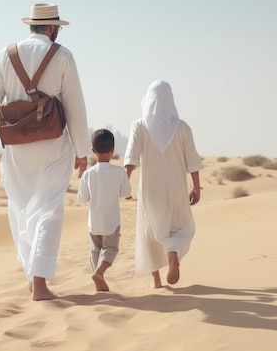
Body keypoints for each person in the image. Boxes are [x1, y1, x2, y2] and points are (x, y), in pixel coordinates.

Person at [0, 3, 90, 301]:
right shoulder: (63, 56)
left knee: (20, 208)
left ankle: (31, 276)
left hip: (15, 146)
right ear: (52, 28)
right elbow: (75, 105)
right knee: (49, 210)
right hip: (53, 143)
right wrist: (82, 149)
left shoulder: (6, 54)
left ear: (32, 25)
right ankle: (39, 283)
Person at [123, 80, 203, 288]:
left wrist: (124, 185)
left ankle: (156, 280)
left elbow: (131, 159)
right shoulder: (182, 127)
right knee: (181, 229)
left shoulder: (139, 126)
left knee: (150, 231)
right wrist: (196, 187)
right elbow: (193, 160)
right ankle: (174, 251)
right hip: (177, 188)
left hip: (150, 189)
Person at [77, 129, 132, 292]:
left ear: (93, 151)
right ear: (112, 149)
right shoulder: (119, 172)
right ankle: (99, 273)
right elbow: (126, 193)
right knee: (111, 249)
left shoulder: (88, 174)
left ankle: (97, 278)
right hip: (111, 223)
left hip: (93, 223)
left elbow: (82, 199)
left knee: (95, 251)